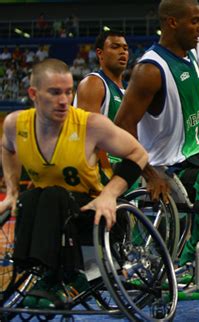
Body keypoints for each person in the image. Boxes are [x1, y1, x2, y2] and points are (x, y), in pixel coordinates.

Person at [114, 0, 199, 277]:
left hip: (198, 159)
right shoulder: (150, 70)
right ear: (172, 22)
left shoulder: (190, 57)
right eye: (195, 21)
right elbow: (122, 125)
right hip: (168, 168)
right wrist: (149, 173)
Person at [0, 58, 147, 308]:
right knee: (30, 198)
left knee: (51, 194)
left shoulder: (91, 124)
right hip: (53, 214)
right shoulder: (16, 124)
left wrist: (110, 194)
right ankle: (43, 274)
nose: (63, 100)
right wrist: (12, 191)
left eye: (68, 92)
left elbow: (139, 154)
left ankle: (71, 276)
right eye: (55, 92)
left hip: (98, 218)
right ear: (33, 94)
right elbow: (7, 148)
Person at [74, 30, 131, 186]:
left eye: (125, 48)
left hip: (125, 169)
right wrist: (107, 173)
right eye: (115, 47)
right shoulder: (93, 83)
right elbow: (88, 135)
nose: (122, 52)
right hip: (102, 171)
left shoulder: (128, 90)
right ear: (100, 53)